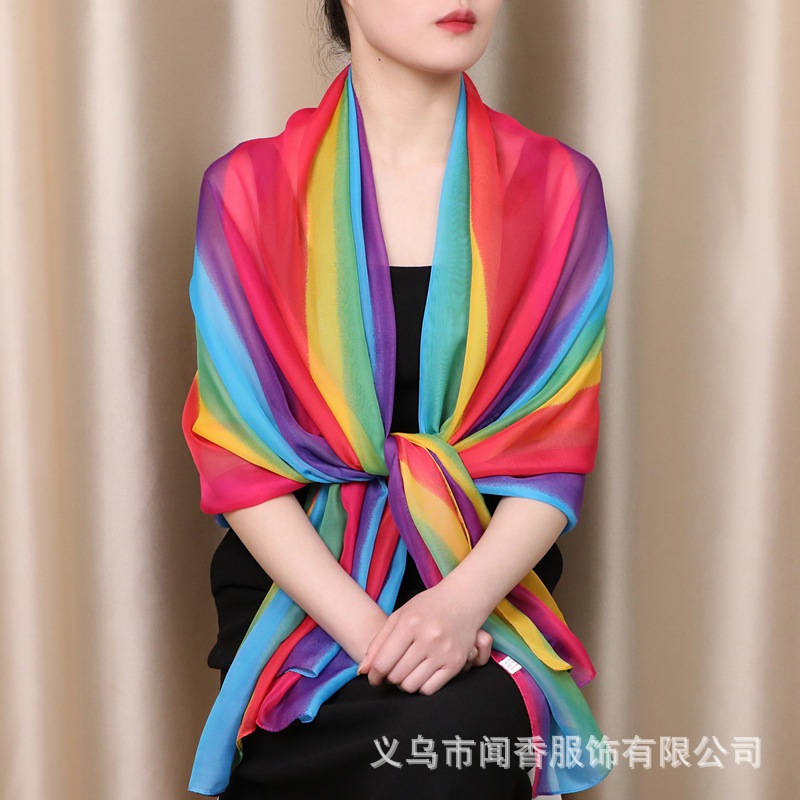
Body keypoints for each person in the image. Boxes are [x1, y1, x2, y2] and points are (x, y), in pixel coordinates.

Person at [182, 1, 614, 798]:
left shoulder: (559, 189)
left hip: (479, 589)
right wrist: (373, 636)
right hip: (302, 599)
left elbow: (552, 456)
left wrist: (456, 610)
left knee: (451, 745)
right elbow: (241, 464)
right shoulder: (248, 191)